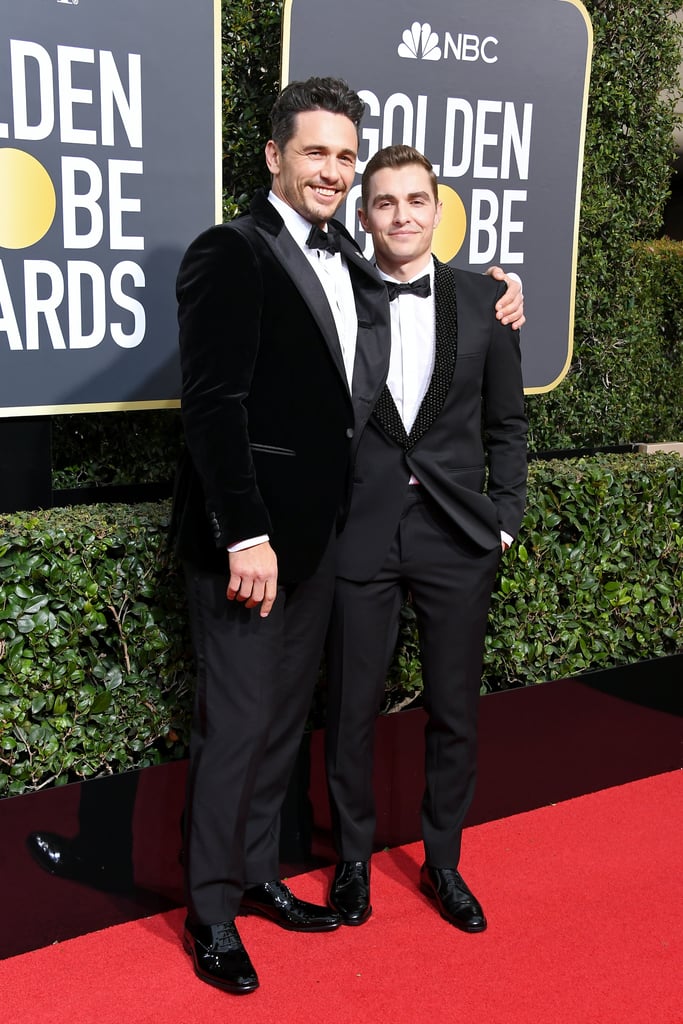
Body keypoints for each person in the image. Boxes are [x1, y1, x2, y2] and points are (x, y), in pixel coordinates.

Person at [173, 76, 524, 994]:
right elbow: (212, 408)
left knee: (284, 723)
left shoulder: (350, 263)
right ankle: (208, 912)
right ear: (273, 158)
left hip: (322, 548)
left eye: (343, 155)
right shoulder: (231, 250)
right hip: (251, 550)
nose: (331, 170)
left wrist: (499, 288)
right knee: (238, 726)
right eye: (315, 152)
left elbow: (433, 306)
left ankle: (255, 877)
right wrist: (244, 532)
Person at [325, 145, 528, 934]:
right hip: (358, 537)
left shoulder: (486, 302)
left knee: (454, 710)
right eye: (384, 203)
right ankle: (350, 859)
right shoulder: (336, 297)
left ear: (437, 211)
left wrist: (503, 521)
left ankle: (442, 861)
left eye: (416, 201)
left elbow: (508, 426)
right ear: (364, 214)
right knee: (349, 710)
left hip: (456, 537)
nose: (402, 216)